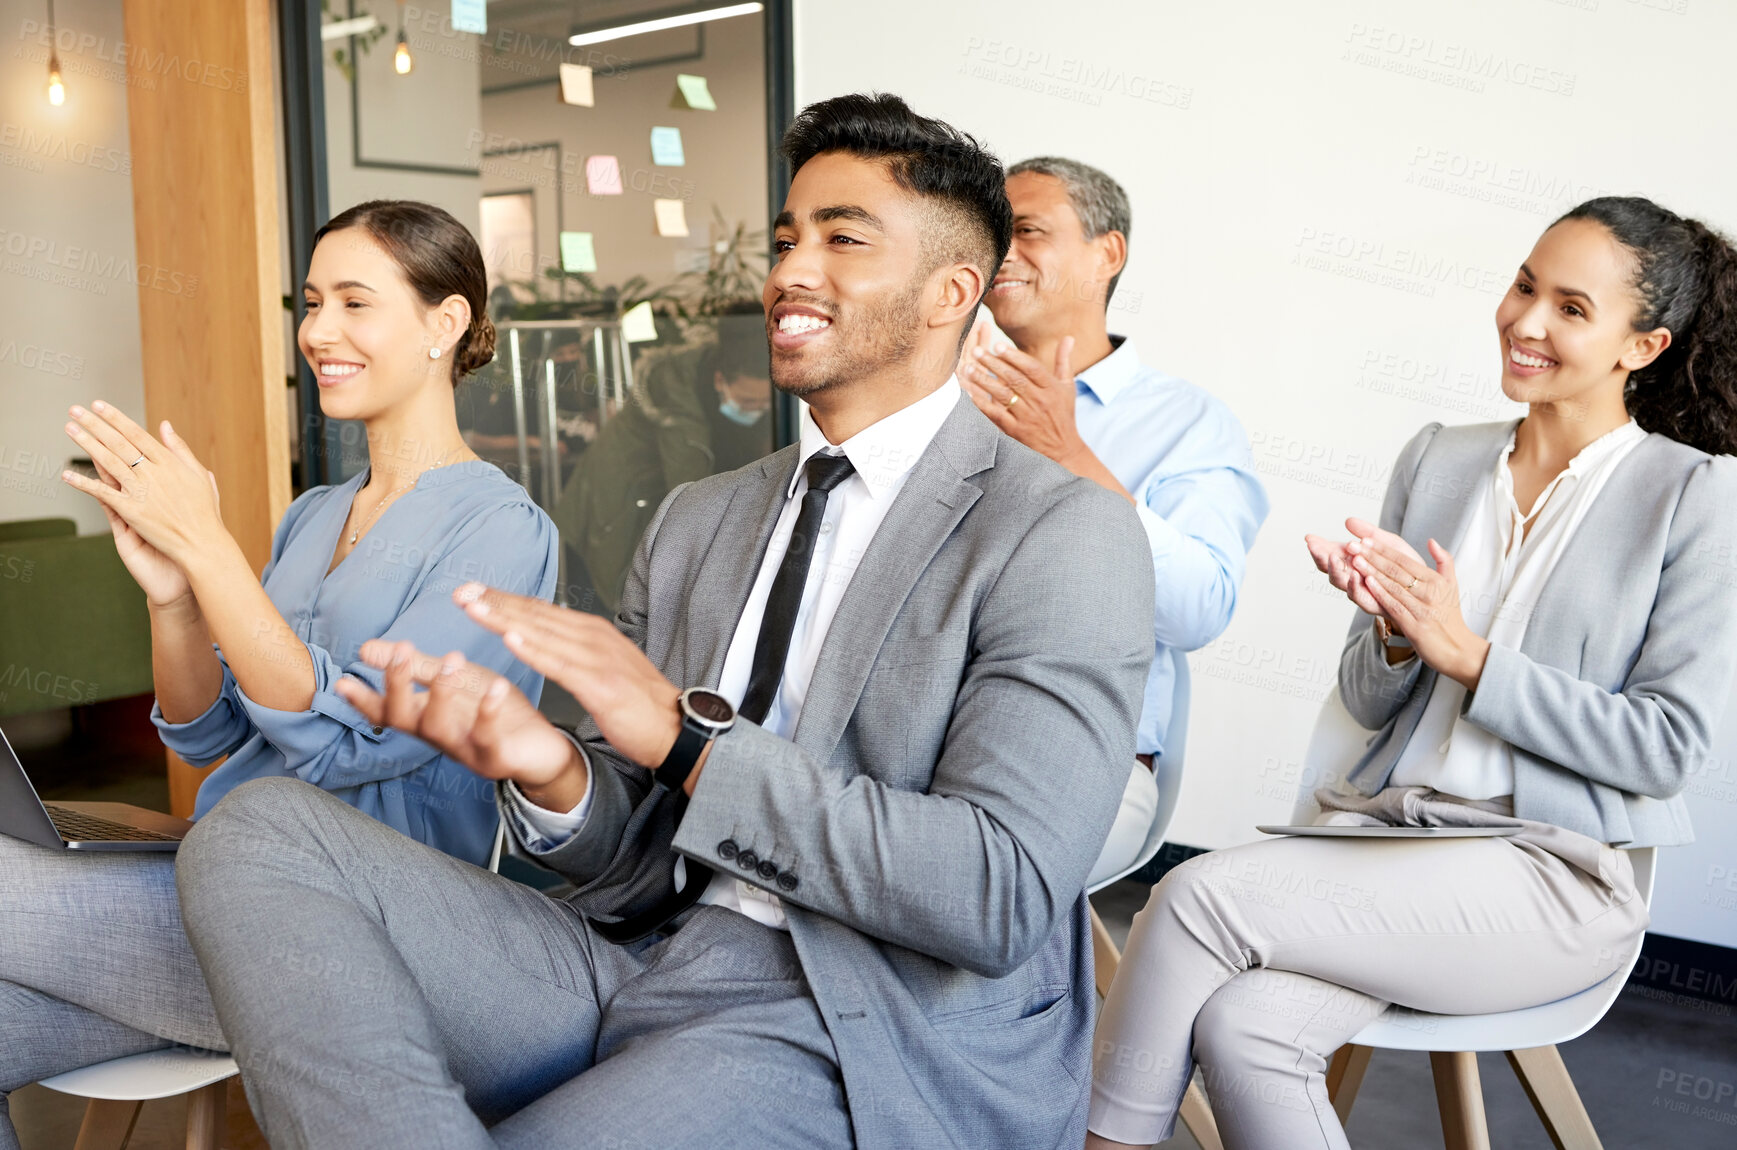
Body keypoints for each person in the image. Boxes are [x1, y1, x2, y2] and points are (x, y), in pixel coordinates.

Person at [173, 94, 1155, 1149]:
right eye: (787, 238)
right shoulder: (702, 519)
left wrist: (689, 739)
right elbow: (627, 847)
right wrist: (549, 766)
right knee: (256, 831)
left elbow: (998, 892)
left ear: (951, 291)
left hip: (843, 1013)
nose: (790, 271)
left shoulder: (1061, 532)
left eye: (842, 239)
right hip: (623, 957)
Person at [1086, 196, 1737, 1150]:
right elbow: (1363, 697)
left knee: (1195, 896)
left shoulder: (1689, 496)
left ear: (1641, 347)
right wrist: (1395, 636)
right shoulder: (1439, 458)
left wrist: (1468, 657)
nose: (1524, 321)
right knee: (1244, 1025)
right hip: (1386, 846)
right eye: (1523, 285)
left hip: (1549, 877)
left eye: (1569, 307)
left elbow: (1666, 748)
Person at [0, 200, 558, 1150]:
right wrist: (176, 594)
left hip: (340, 937)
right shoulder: (312, 516)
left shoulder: (503, 530)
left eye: (353, 301)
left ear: (445, 322)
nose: (318, 332)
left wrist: (212, 551)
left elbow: (359, 740)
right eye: (309, 302)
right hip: (211, 879)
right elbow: (210, 730)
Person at [959, 157, 1267, 884]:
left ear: (1108, 253)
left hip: (1080, 757)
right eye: (991, 233)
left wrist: (1067, 454)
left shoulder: (1187, 423)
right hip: (921, 736)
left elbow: (1198, 610)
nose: (1001, 252)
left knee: (948, 883)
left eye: (1027, 230)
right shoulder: (942, 398)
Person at [556, 299, 774, 614]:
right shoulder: (676, 399)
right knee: (617, 626)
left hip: (648, 507)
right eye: (749, 402)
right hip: (611, 514)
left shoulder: (726, 372)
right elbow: (694, 499)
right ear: (719, 381)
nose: (758, 411)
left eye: (765, 404)